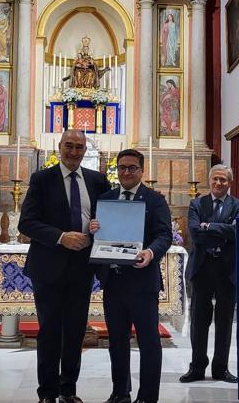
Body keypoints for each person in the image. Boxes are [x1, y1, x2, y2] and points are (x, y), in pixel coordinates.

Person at [19, 129, 110, 403]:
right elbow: (27, 222)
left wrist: (97, 228)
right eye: (69, 146)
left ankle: (68, 391)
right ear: (59, 147)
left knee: (74, 332)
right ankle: (47, 393)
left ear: (85, 150)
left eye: (79, 147)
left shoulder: (97, 181)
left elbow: (107, 219)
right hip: (48, 267)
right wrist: (61, 237)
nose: (73, 152)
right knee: (49, 332)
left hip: (82, 267)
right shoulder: (42, 179)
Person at [89, 149, 172, 403]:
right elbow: (99, 236)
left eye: (132, 168)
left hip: (142, 282)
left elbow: (164, 236)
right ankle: (120, 393)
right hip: (113, 282)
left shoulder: (155, 200)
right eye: (122, 167)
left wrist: (150, 252)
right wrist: (92, 228)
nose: (126, 172)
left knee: (148, 342)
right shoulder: (106, 199)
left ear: (141, 170)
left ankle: (147, 397)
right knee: (117, 341)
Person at [179, 164, 239, 384]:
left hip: (227, 270)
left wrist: (209, 227)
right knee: (199, 321)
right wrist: (220, 230)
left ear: (230, 182)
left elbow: (238, 232)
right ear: (210, 180)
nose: (219, 183)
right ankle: (197, 367)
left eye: (223, 180)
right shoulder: (197, 203)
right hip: (203, 268)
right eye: (215, 179)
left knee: (225, 320)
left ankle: (221, 368)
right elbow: (195, 233)